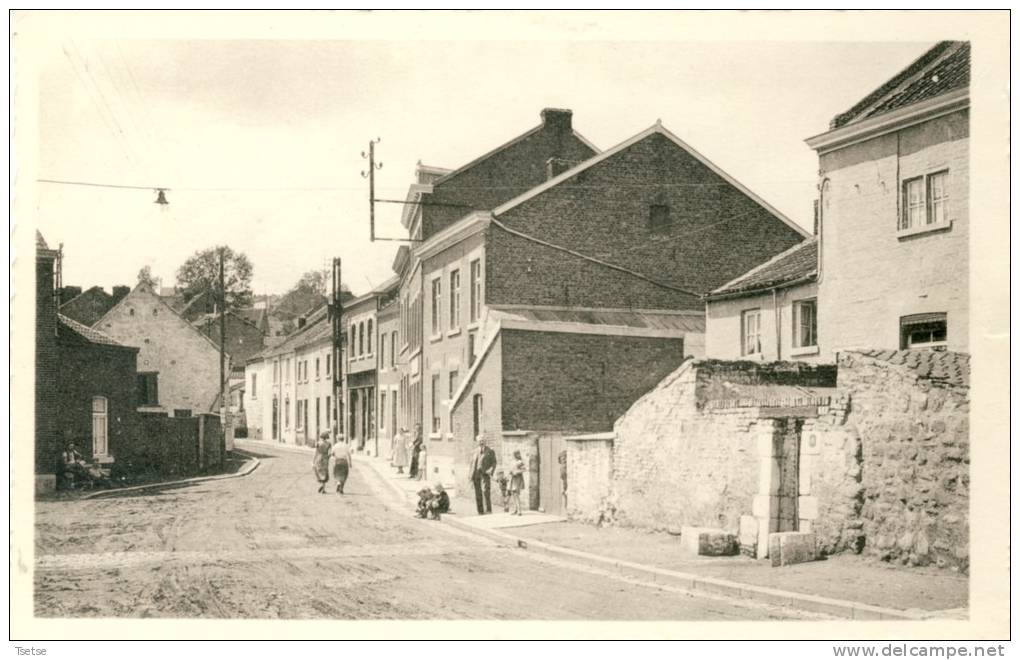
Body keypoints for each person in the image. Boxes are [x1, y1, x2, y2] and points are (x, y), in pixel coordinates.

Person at [469, 436, 497, 515]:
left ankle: (488, 510)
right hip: (476, 475)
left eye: (483, 440)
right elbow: (471, 464)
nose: (481, 442)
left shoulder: (490, 451)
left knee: (485, 492)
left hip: (485, 474)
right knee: (478, 493)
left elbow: (494, 462)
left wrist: (491, 470)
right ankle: (480, 511)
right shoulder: (474, 451)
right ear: (477, 442)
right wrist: (470, 476)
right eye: (480, 441)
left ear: (485, 441)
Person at [508, 450, 526, 516]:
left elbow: (524, 469)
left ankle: (519, 511)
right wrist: (510, 472)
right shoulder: (513, 462)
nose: (513, 456)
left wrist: (516, 472)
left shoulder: (520, 462)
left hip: (518, 479)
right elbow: (512, 469)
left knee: (516, 494)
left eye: (514, 455)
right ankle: (516, 509)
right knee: (513, 493)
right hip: (513, 479)